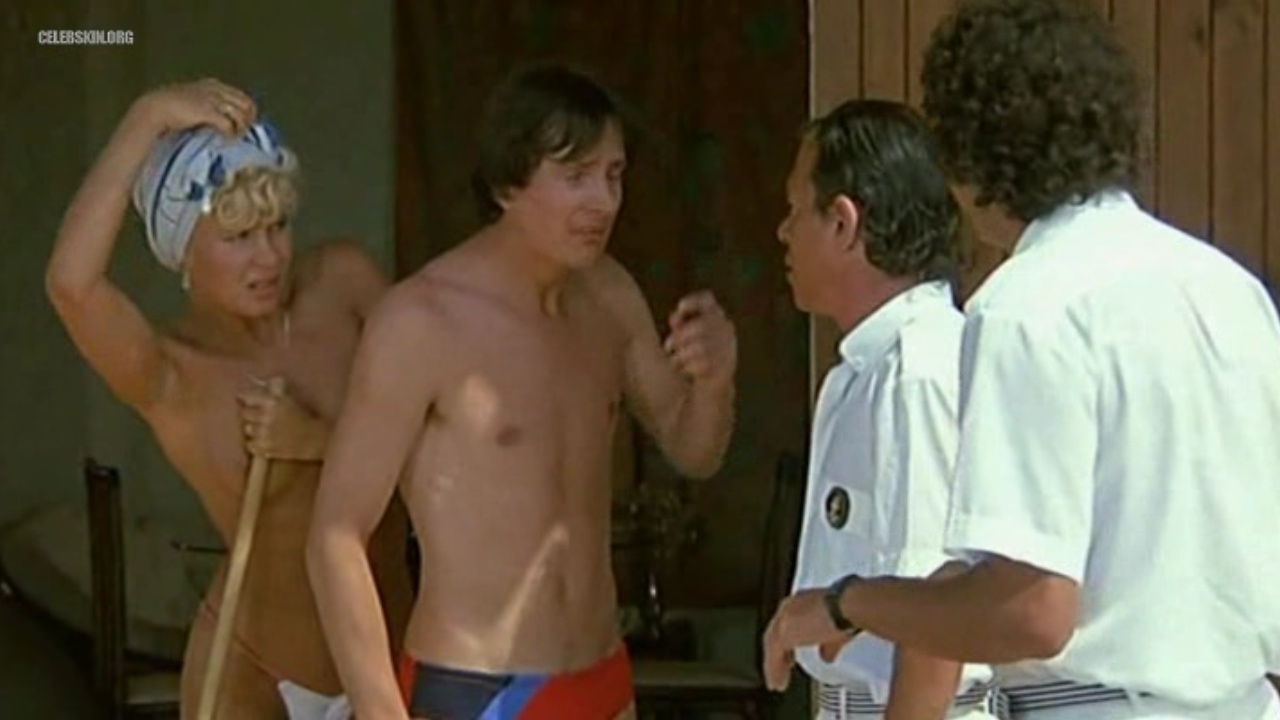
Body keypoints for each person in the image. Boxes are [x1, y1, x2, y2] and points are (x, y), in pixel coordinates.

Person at [763, 1, 1280, 718]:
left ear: (969, 146)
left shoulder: (1027, 306)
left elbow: (1031, 609)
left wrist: (850, 603)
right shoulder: (1227, 290)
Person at [305, 63, 738, 720]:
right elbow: (335, 533)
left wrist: (714, 382)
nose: (603, 201)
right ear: (509, 185)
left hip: (602, 676)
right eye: (577, 176)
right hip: (480, 688)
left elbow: (693, 449)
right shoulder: (423, 320)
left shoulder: (610, 296)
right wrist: (379, 711)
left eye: (614, 175)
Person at [45, 79, 414, 719]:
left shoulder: (344, 283)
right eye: (239, 236)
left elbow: (445, 427)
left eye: (277, 226)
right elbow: (71, 284)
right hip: (258, 670)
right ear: (183, 252)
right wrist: (147, 116)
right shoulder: (172, 374)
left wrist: (318, 440)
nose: (268, 257)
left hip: (391, 655)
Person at [776, 99, 1002, 720]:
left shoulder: (918, 371)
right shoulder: (866, 370)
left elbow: (937, 604)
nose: (783, 232)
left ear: (843, 223)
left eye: (795, 210)